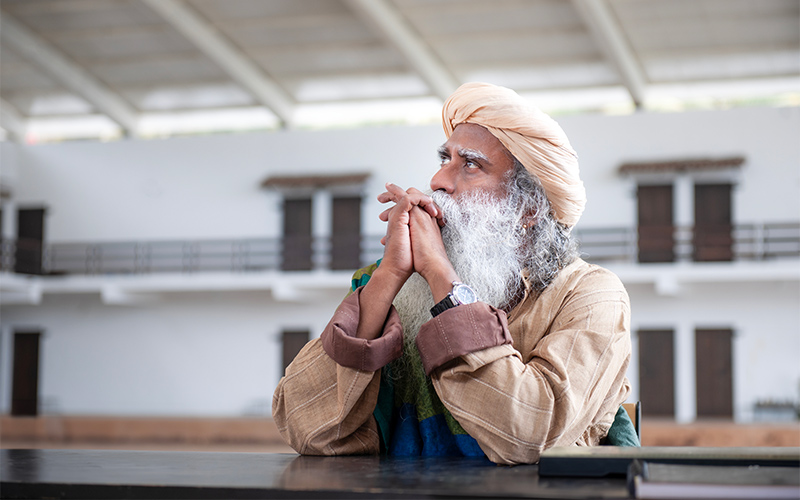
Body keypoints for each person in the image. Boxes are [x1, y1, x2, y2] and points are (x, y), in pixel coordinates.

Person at [272, 82, 636, 465]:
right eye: (444, 159)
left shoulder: (592, 294)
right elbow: (303, 427)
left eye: (471, 164)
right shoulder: (391, 285)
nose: (438, 181)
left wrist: (441, 275)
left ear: (528, 210)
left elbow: (531, 435)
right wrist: (390, 275)